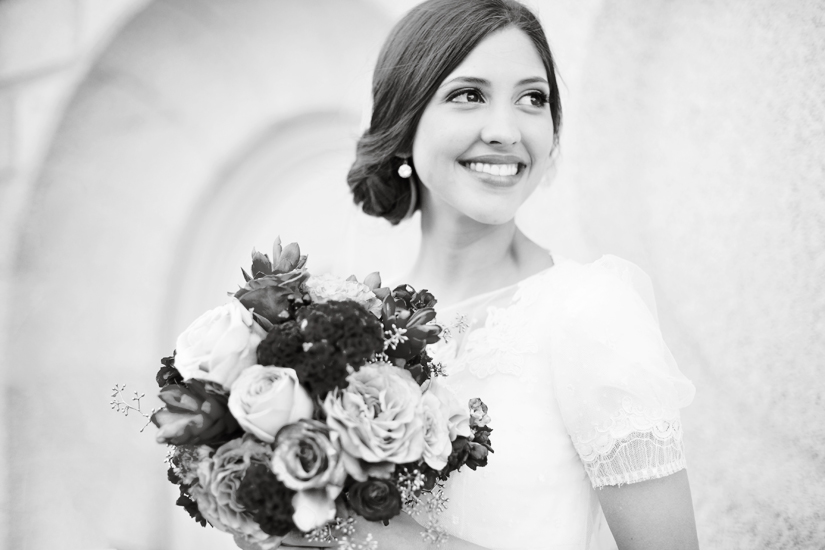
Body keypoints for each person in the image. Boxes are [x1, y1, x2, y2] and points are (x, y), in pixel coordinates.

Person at [274, 0, 699, 548]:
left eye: (533, 99)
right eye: (469, 95)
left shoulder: (590, 314)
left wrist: (366, 538)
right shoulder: (352, 325)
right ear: (404, 122)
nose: (506, 130)